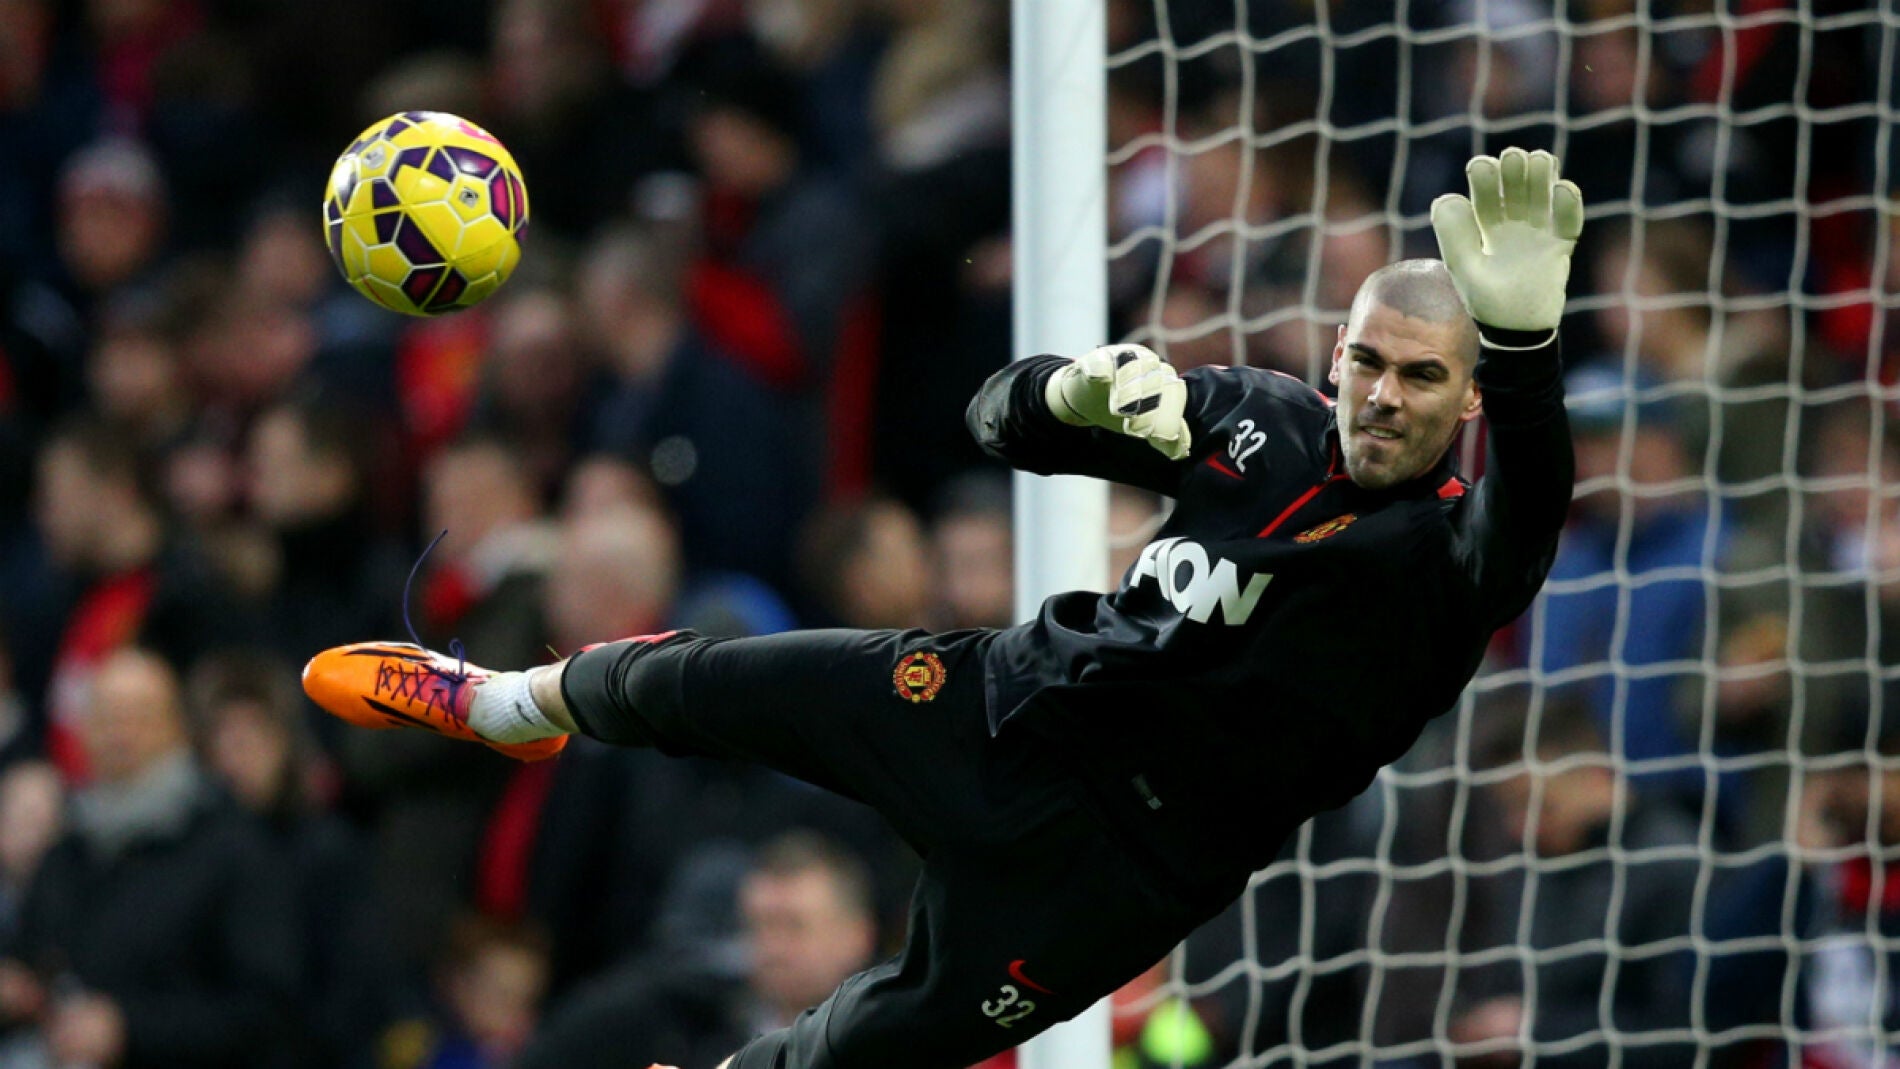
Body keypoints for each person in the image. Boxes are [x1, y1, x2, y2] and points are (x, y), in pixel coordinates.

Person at [302, 147, 1584, 1069]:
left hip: (1114, 875)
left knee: (868, 1046)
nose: (1382, 395)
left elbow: (1524, 519)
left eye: (1423, 377)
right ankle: (501, 702)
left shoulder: (1450, 556)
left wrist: (1526, 363)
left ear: (1463, 401)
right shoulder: (1261, 417)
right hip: (999, 702)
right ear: (1336, 353)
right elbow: (993, 417)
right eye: (1366, 359)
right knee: (716, 678)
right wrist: (1071, 392)